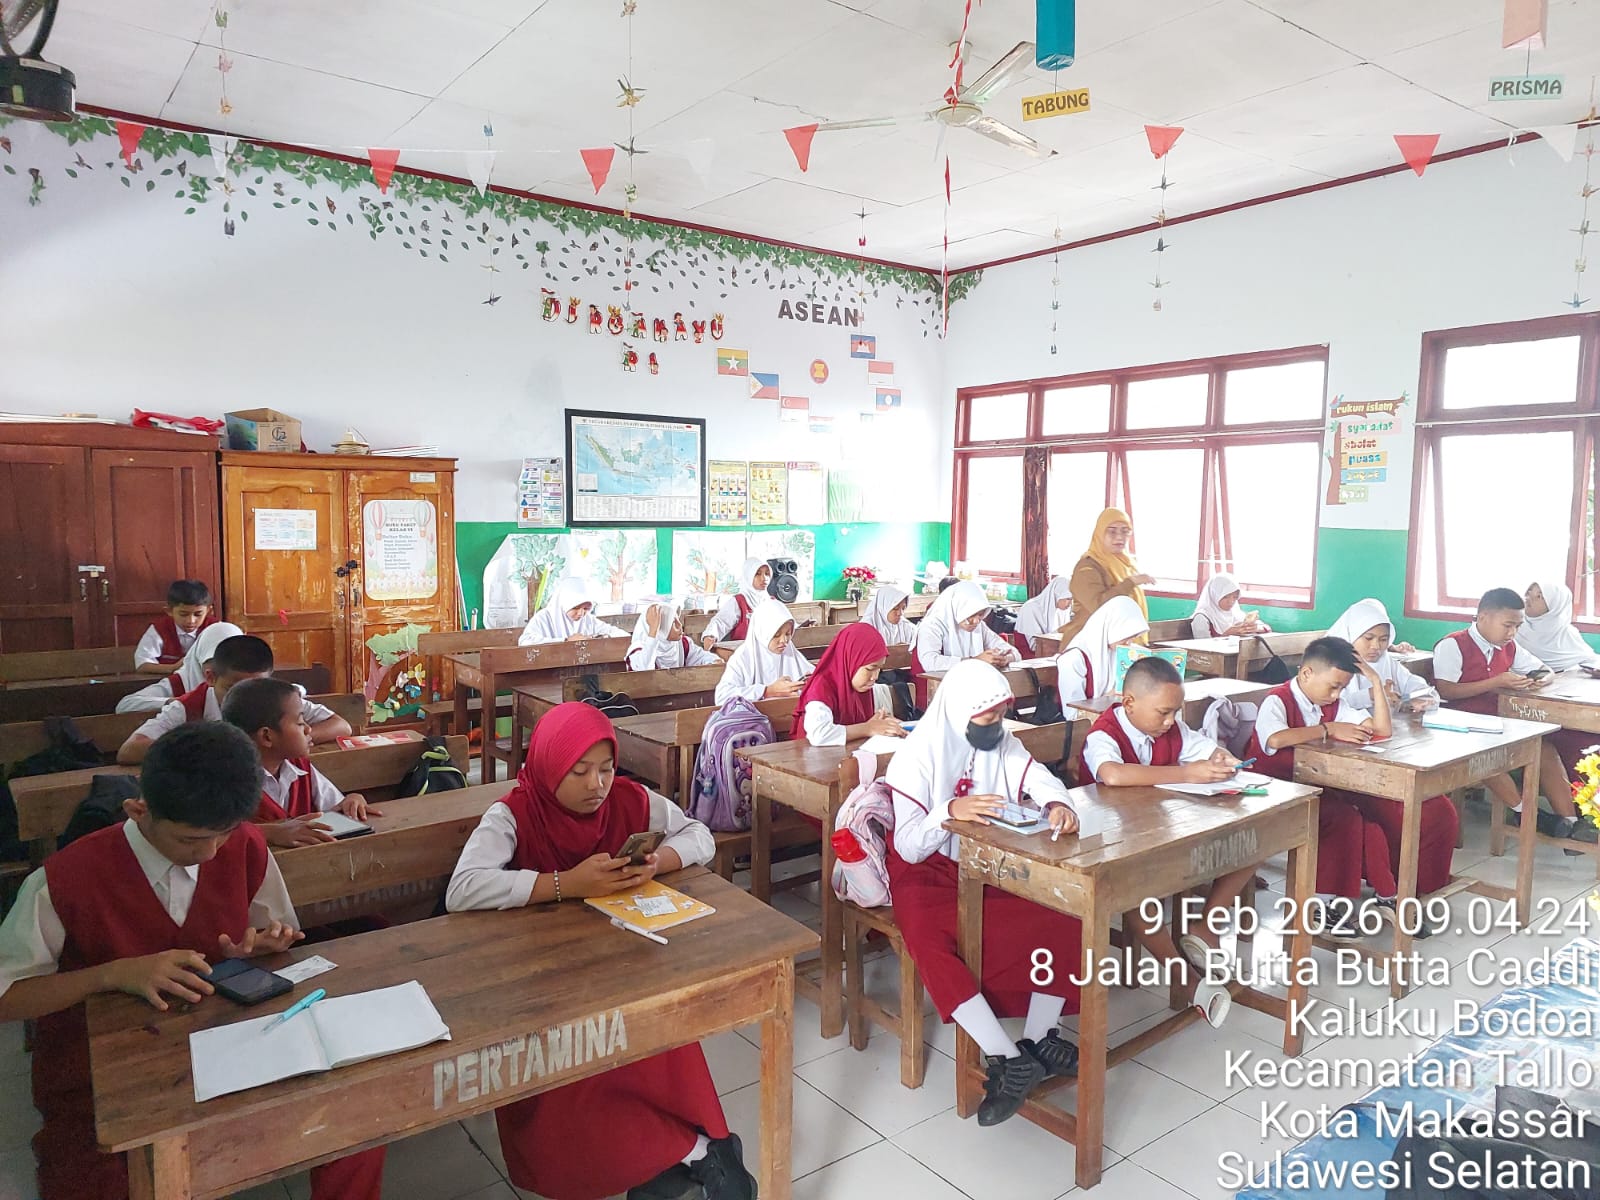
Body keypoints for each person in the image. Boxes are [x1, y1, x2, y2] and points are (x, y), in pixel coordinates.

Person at [0, 722, 385, 1200]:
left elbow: (275, 934)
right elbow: (8, 997)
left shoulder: (244, 843)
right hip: (108, 1076)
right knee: (98, 1180)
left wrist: (260, 949)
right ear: (138, 810)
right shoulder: (64, 879)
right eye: (188, 840)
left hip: (225, 1045)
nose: (209, 853)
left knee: (354, 1123)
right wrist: (113, 974)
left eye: (224, 834)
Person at [445, 703, 752, 1200]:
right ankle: (698, 1150)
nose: (597, 785)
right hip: (545, 978)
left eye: (606, 769)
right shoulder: (515, 812)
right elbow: (462, 889)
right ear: (549, 767)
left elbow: (699, 835)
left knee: (659, 1035)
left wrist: (659, 862)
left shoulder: (630, 799)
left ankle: (681, 1153)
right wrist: (564, 884)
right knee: (573, 1072)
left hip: (623, 962)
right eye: (580, 771)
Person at [886, 660, 1083, 1126]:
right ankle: (1005, 1057)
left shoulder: (1001, 741)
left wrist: (1058, 803)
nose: (997, 722)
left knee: (1065, 913)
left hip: (989, 860)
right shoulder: (914, 758)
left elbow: (1039, 779)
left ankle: (1038, 1039)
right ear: (959, 711)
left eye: (1000, 712)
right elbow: (909, 846)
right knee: (929, 938)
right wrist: (948, 811)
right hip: (926, 869)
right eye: (987, 714)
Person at [1078, 656, 1249, 1025]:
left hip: (1158, 830)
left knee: (1250, 841)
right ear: (1129, 703)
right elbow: (1112, 775)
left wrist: (1223, 759)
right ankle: (1185, 979)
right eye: (1164, 712)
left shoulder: (1171, 729)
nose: (1171, 721)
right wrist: (1187, 773)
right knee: (1138, 893)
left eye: (1176, 712)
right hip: (1109, 842)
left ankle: (1206, 926)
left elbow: (1204, 749)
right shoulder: (1103, 734)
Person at [1246, 636, 1449, 935]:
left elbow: (1381, 730)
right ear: (1307, 673)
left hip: (1321, 784)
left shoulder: (1334, 704)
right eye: (1333, 686)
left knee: (1373, 821)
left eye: (1342, 688)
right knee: (1344, 819)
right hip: (1276, 788)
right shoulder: (1278, 699)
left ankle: (1387, 894)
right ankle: (1321, 903)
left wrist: (1376, 683)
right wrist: (1328, 729)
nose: (1337, 694)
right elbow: (1275, 739)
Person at [1434, 587, 1590, 848]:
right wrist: (1496, 682)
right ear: (1483, 617)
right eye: (1507, 625)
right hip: (1459, 726)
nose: (1512, 633)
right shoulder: (1453, 644)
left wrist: (1538, 680)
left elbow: (1544, 670)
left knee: (1543, 748)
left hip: (1499, 722)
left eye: (1517, 627)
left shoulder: (1509, 647)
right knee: (1486, 756)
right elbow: (1446, 690)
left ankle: (1571, 823)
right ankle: (1526, 813)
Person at [117, 634, 350, 764]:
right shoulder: (188, 707)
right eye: (233, 687)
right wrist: (211, 750)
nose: (248, 696)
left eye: (256, 686)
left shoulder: (276, 699)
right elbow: (129, 750)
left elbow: (341, 726)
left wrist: (293, 740)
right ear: (210, 677)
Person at [222, 677, 376, 848]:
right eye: (300, 723)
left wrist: (351, 800)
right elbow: (213, 835)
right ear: (267, 736)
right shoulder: (227, 780)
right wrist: (269, 833)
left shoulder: (299, 767)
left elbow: (334, 806)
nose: (309, 729)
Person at [792, 622, 905, 745]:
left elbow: (865, 725)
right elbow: (819, 734)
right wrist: (868, 728)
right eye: (870, 669)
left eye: (879, 669)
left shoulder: (861, 686)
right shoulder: (821, 686)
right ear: (851, 661)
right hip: (811, 755)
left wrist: (880, 723)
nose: (875, 677)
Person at [1058, 508, 1153, 643]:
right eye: (1112, 531)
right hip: (1089, 645)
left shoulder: (1127, 565)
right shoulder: (1087, 568)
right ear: (1099, 533)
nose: (1119, 537)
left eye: (1125, 531)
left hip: (1120, 644)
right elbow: (1099, 607)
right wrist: (1130, 583)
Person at [1326, 599, 1432, 715]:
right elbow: (1328, 704)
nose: (1376, 646)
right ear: (1351, 634)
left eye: (1383, 639)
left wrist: (1418, 697)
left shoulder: (1385, 660)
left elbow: (1412, 682)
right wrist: (1372, 694)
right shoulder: (1331, 662)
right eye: (1368, 638)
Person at [116, 620, 244, 714]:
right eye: (210, 661)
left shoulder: (248, 681)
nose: (215, 670)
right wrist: (178, 702)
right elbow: (125, 705)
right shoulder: (180, 682)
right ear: (199, 657)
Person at [712, 600, 812, 704]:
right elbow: (722, 697)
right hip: (756, 714)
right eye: (776, 635)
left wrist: (811, 682)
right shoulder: (743, 657)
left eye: (788, 634)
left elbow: (810, 675)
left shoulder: (789, 651)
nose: (784, 640)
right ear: (762, 633)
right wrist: (766, 691)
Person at [1055, 595, 1149, 704]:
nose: (1129, 643)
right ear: (1111, 628)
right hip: (1092, 715)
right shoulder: (1073, 659)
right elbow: (1073, 711)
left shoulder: (1123, 652)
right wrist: (1111, 697)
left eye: (1133, 637)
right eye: (1125, 636)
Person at [132, 580, 218, 674]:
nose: (191, 621)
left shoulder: (216, 628)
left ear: (209, 611)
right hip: (168, 680)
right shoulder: (160, 629)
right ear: (169, 611)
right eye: (183, 614)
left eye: (198, 614)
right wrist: (173, 668)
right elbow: (142, 664)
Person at [519, 577, 628, 646]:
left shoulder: (588, 620)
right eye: (575, 607)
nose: (581, 613)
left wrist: (601, 637)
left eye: (586, 608)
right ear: (564, 604)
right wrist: (565, 641)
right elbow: (525, 642)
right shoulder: (543, 618)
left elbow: (622, 635)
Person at [1522, 580, 1600, 672]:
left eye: (1539, 596)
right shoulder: (1515, 627)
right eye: (1529, 592)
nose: (1528, 598)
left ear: (1555, 606)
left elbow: (1591, 660)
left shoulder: (1567, 633)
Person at [625, 601, 720, 671]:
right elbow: (644, 671)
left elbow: (700, 656)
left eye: (678, 620)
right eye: (673, 622)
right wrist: (653, 631)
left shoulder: (681, 644)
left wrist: (714, 660)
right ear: (661, 628)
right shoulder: (638, 650)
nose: (680, 625)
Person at [700, 558, 770, 650]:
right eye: (758, 574)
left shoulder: (771, 602)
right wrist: (711, 635)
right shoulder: (739, 601)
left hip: (767, 650)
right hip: (743, 651)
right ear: (748, 576)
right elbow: (721, 621)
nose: (764, 578)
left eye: (767, 573)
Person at [1188, 573, 1270, 639]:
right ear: (1214, 595)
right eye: (1225, 597)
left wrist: (1255, 628)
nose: (1231, 602)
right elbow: (1203, 648)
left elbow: (1267, 628)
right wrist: (1227, 634)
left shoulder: (1234, 613)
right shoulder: (1202, 618)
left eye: (1235, 597)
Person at [1013, 576, 1072, 654]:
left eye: (1072, 599)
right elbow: (1035, 646)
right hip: (1031, 656)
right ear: (1057, 595)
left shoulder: (1062, 611)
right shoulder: (1030, 608)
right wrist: (1060, 630)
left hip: (1051, 653)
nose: (1070, 603)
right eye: (1068, 599)